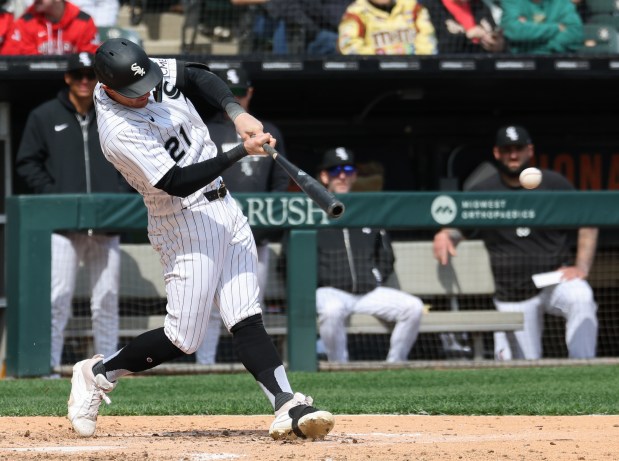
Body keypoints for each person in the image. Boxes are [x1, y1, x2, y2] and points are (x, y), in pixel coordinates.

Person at [66, 38, 335, 441]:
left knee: (245, 315)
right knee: (183, 338)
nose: (146, 95)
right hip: (183, 219)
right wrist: (240, 151)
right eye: (134, 94)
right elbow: (176, 182)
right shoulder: (117, 131)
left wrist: (236, 112)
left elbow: (196, 73)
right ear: (108, 88)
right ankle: (97, 374)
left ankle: (287, 404)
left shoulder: (139, 70)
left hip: (225, 206)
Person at [433, 125, 598, 360]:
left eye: (518, 148)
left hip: (554, 280)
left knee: (581, 296)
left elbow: (590, 218)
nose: (513, 155)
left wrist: (582, 267)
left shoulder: (553, 183)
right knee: (518, 369)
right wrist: (446, 233)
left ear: (529, 150)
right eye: (507, 149)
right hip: (512, 292)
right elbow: (460, 226)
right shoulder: (483, 190)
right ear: (496, 153)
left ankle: (584, 371)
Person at [15, 52, 128, 373]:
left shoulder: (114, 114)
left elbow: (133, 158)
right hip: (62, 224)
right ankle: (49, 366)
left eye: (90, 75)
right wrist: (54, 197)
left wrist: (118, 194)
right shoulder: (44, 115)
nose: (84, 81)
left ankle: (108, 369)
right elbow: (27, 162)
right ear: (67, 78)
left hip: (107, 221)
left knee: (106, 299)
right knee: (58, 297)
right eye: (77, 75)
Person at [195, 67, 289, 365]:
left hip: (255, 237)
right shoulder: (205, 130)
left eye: (241, 92)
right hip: (213, 229)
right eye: (230, 93)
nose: (237, 98)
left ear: (250, 93)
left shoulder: (267, 130)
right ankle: (205, 366)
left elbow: (279, 184)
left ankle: (252, 367)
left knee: (249, 305)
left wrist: (266, 226)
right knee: (208, 306)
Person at [314, 147, 424, 362]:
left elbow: (386, 255)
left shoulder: (368, 209)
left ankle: (394, 364)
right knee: (332, 310)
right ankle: (339, 367)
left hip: (367, 292)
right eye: (336, 170)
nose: (343, 175)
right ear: (325, 176)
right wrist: (317, 282)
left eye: (348, 169)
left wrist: (375, 276)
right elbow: (291, 260)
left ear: (355, 175)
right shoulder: (309, 211)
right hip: (329, 292)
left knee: (413, 307)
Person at [338, 0, 437, 55]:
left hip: (413, 72)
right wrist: (381, 59)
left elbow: (427, 41)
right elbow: (349, 48)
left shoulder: (411, 6)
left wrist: (416, 62)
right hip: (374, 75)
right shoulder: (356, 13)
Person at [2, 0, 98, 55]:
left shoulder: (83, 21)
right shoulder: (25, 21)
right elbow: (23, 60)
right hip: (36, 81)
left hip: (75, 80)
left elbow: (89, 59)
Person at [500, 0, 584, 54]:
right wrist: (557, 28)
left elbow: (575, 34)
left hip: (557, 64)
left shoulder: (563, 3)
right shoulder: (511, 1)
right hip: (519, 65)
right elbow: (513, 30)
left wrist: (532, 47)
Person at [423, 0, 504, 53]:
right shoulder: (435, 5)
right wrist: (469, 35)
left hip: (481, 67)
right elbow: (442, 44)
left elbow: (494, 35)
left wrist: (496, 42)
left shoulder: (478, 5)